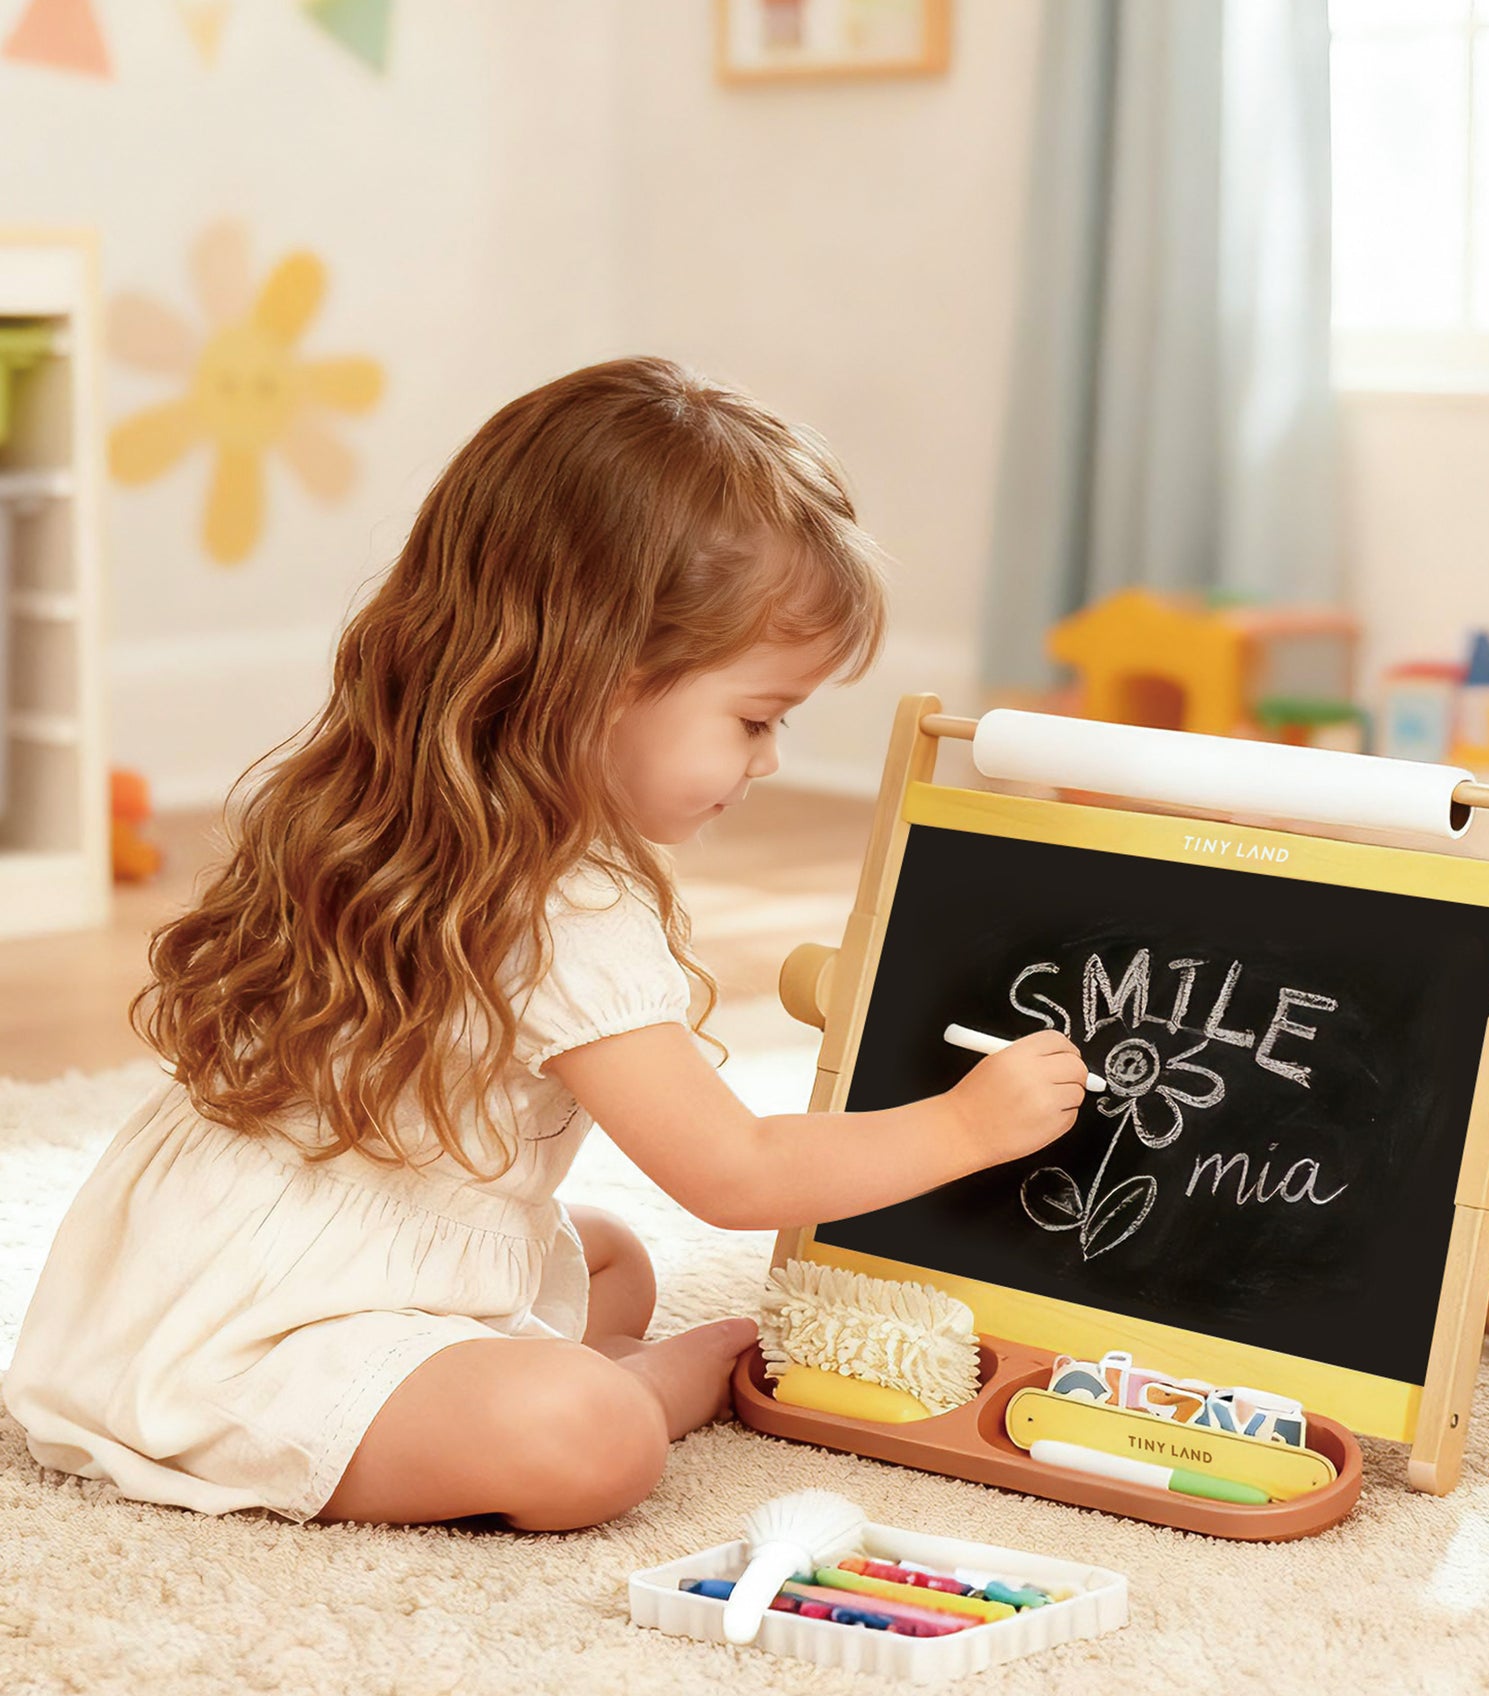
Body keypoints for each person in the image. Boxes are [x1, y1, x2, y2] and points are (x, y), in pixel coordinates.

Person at [1, 356, 1091, 1532]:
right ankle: (653, 1392)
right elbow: (736, 1174)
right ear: (604, 685)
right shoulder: (566, 908)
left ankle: (547, 1375)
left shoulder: (387, 799)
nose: (770, 760)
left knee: (608, 1258)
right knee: (587, 1438)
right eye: (756, 718)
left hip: (188, 1272)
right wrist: (965, 1126)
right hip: (269, 1339)